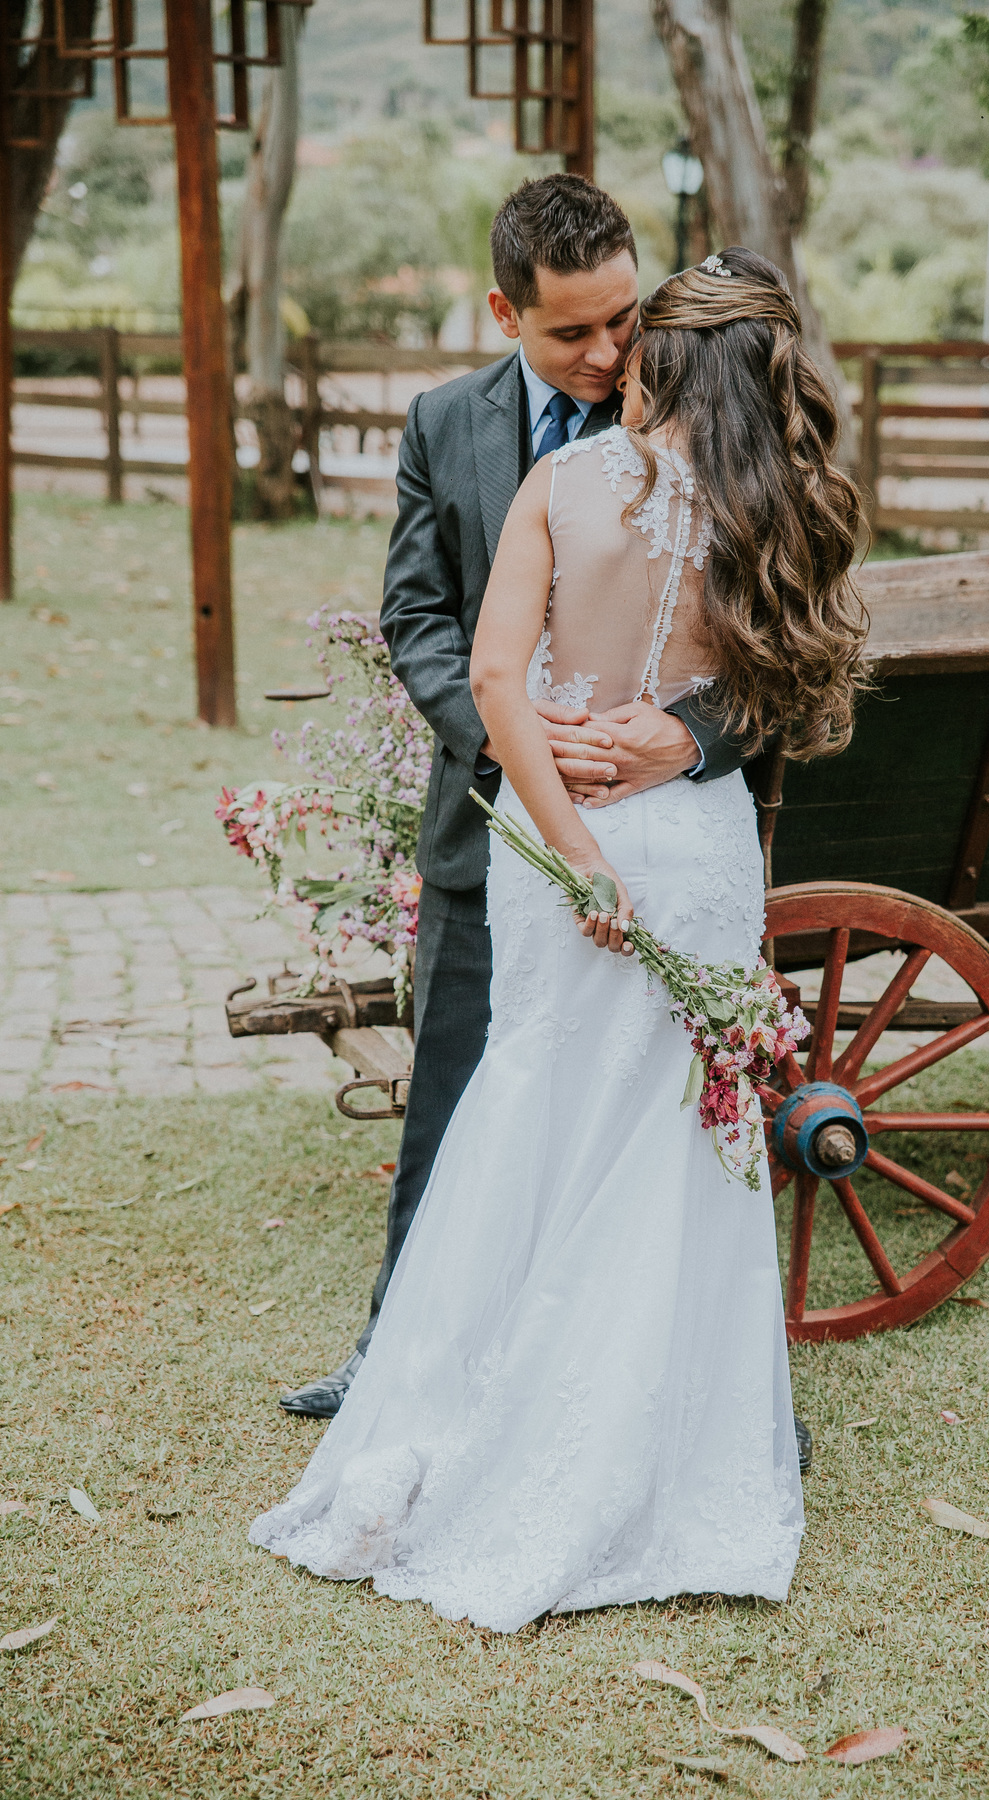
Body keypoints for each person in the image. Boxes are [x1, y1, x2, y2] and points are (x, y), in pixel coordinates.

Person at [250, 245, 866, 1633]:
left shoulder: (563, 485)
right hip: (696, 852)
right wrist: (667, 767)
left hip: (557, 840)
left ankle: (475, 1420)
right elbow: (802, 674)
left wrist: (577, 847)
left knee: (532, 1108)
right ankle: (658, 1450)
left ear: (657, 352)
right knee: (670, 1140)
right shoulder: (787, 510)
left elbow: (486, 671)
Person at [281, 177, 754, 1422]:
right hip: (483, 828)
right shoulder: (448, 423)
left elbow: (781, 649)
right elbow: (420, 615)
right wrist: (506, 731)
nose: (607, 355)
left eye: (622, 320)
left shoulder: (717, 412)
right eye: (571, 333)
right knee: (454, 1097)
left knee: (659, 1119)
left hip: (659, 832)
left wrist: (683, 742)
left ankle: (699, 1379)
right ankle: (397, 1356)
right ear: (504, 311)